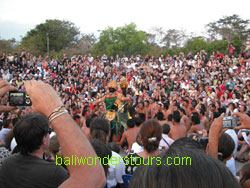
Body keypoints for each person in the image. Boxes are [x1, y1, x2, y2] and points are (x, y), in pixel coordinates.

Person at [0, 80, 106, 188]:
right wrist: (54, 108)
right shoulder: (54, 173)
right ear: (44, 140)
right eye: (48, 132)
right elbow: (93, 178)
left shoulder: (6, 163)